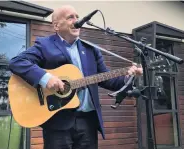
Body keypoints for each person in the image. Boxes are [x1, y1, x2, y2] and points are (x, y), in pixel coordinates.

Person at [9, 5, 142, 149]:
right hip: (57, 123)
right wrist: (46, 78)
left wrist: (128, 77)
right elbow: (17, 62)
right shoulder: (45, 45)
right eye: (70, 17)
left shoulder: (91, 49)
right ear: (56, 25)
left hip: (87, 122)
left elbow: (106, 79)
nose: (76, 20)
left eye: (77, 17)